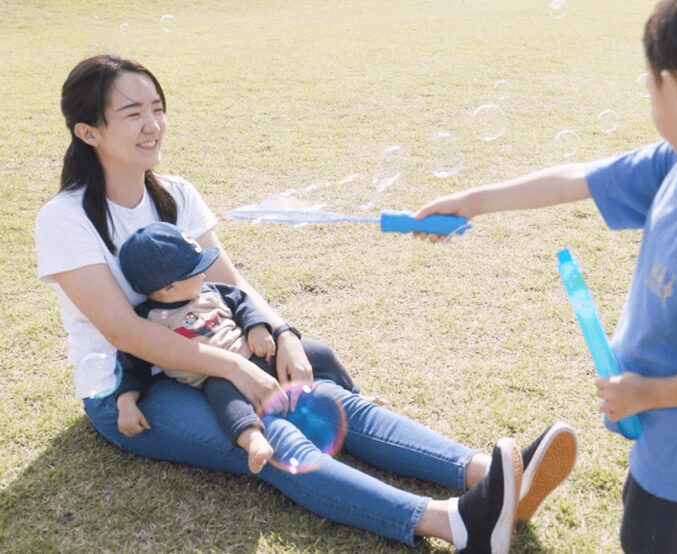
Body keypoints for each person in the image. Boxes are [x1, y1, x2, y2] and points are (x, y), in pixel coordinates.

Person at [35, 53, 578, 553]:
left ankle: (490, 475)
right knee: (272, 434)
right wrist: (236, 368)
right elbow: (125, 333)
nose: (152, 124)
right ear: (88, 131)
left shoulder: (174, 192)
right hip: (133, 386)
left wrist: (284, 333)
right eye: (132, 113)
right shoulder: (64, 219)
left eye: (157, 108)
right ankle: (454, 524)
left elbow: (229, 282)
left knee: (321, 396)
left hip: (218, 352)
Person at [414, 1, 677, 552]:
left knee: (647, 536)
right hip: (658, 421)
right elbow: (578, 178)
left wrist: (645, 392)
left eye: (652, 82)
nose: (648, 91)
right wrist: (473, 201)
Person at [114, 220, 365, 474]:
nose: (205, 273)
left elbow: (243, 303)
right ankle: (252, 439)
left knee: (318, 351)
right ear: (168, 288)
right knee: (227, 403)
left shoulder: (212, 291)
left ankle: (353, 393)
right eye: (196, 270)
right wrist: (126, 404)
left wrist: (257, 328)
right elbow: (132, 365)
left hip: (258, 354)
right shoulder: (149, 320)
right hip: (217, 377)